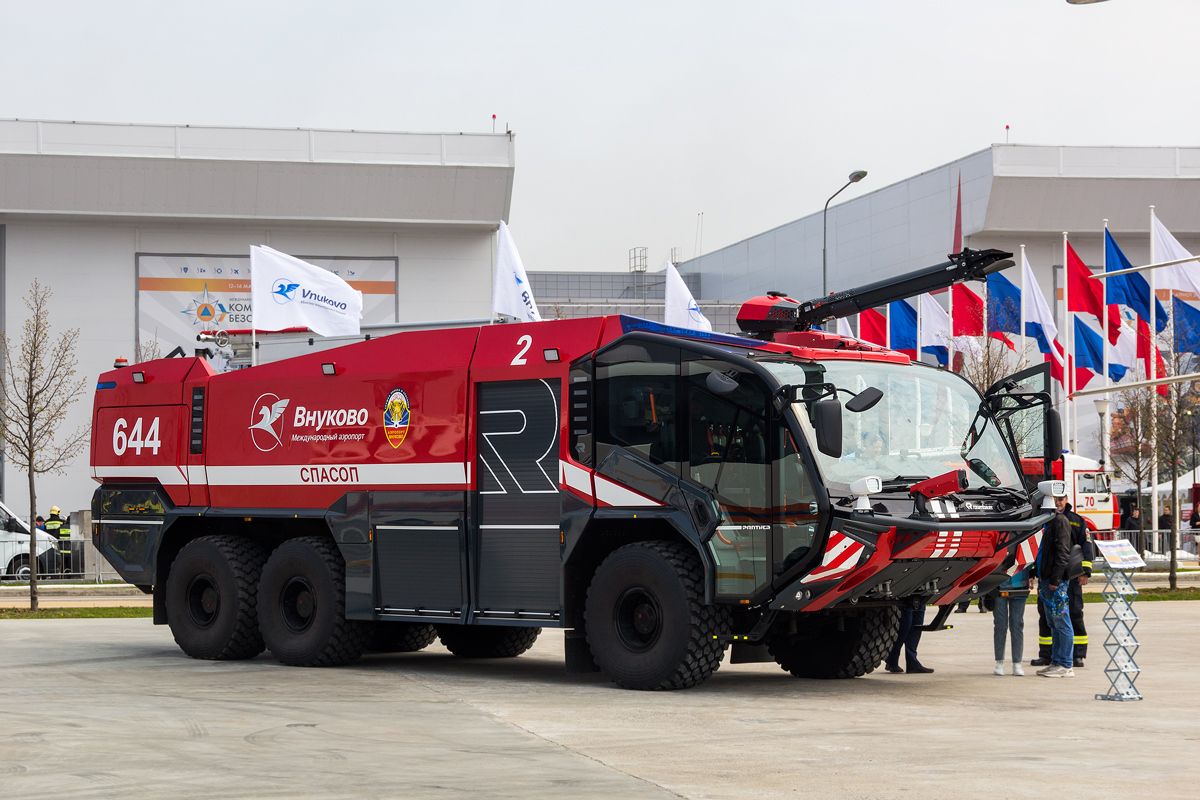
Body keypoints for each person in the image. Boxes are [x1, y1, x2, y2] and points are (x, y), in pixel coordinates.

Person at [1032, 495, 1093, 668]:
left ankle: (1077, 654)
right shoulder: (1044, 520)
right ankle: (1047, 654)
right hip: (1050, 576)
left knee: (1073, 613)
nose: (1058, 502)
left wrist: (1085, 572)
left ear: (1066, 499)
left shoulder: (1076, 521)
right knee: (1046, 616)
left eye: (1061, 499)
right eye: (1055, 499)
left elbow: (1086, 546)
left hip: (1070, 577)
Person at [1035, 490, 1075, 678]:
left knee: (1061, 621)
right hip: (1047, 579)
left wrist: (1055, 580)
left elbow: (1062, 553)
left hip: (1054, 581)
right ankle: (1057, 661)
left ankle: (1066, 664)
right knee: (1053, 622)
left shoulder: (1059, 522)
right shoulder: (1048, 523)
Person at [991, 566, 1031, 676]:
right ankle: (999, 661)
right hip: (999, 583)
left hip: (1020, 583)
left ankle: (1017, 662)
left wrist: (1031, 575)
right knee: (1000, 623)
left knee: (1017, 624)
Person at [884, 604, 934, 674]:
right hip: (906, 598)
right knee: (903, 631)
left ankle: (912, 664)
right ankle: (892, 661)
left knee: (916, 630)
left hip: (921, 597)